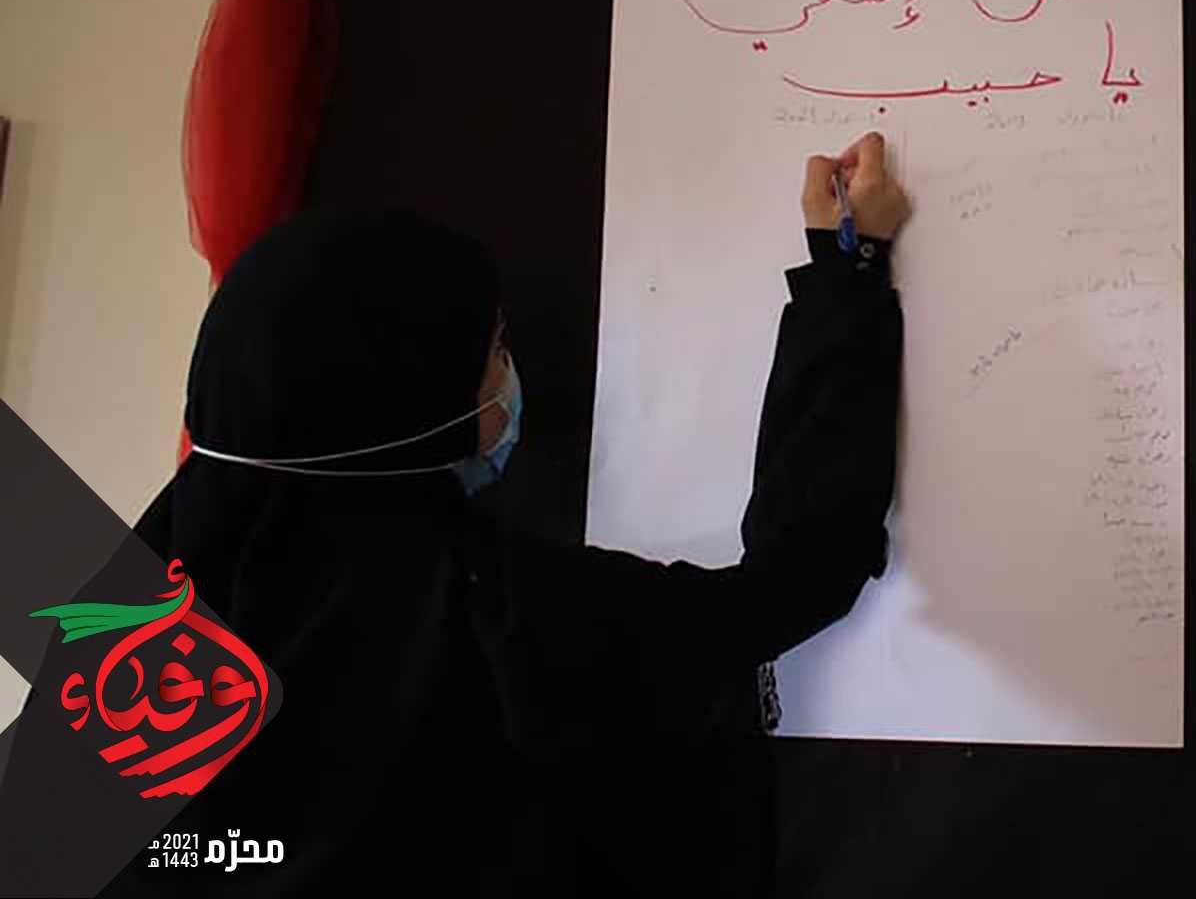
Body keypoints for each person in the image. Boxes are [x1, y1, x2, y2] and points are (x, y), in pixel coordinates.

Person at [99, 131, 910, 895]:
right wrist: (848, 270)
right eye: (490, 354)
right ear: (408, 415)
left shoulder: (119, 641)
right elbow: (789, 583)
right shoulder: (498, 615)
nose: (512, 378)